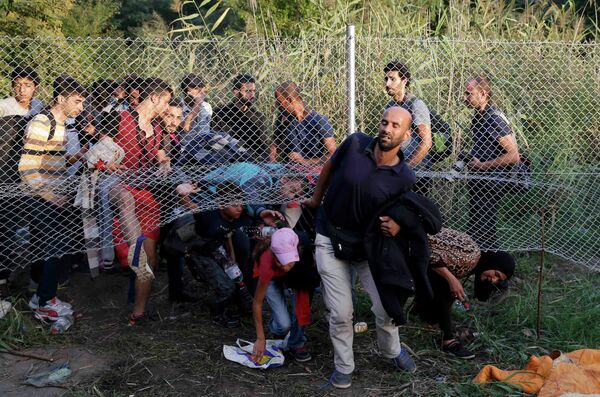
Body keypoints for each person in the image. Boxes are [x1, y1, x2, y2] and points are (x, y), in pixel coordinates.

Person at [304, 107, 417, 389]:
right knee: (341, 312)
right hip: (330, 237)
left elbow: (407, 212)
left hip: (369, 249)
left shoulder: (404, 177)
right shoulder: (355, 144)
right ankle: (343, 368)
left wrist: (398, 225)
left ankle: (392, 351)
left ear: (406, 134)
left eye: (395, 125)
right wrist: (316, 201)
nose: (387, 129)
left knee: (386, 307)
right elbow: (329, 168)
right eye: (384, 122)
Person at [20, 75, 87, 324]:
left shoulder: (61, 125)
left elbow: (51, 161)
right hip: (39, 196)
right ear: (61, 98)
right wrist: (51, 196)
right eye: (77, 101)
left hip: (51, 195)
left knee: (43, 244)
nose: (81, 107)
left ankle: (38, 293)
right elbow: (26, 167)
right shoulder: (42, 122)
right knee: (57, 245)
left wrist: (78, 156)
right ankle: (45, 301)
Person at [111, 77, 172, 325]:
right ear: (154, 97)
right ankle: (136, 309)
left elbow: (160, 155)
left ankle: (138, 311)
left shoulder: (156, 130)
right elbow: (101, 149)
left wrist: (164, 162)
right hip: (119, 187)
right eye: (166, 101)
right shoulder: (120, 119)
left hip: (145, 193)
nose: (167, 108)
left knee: (151, 260)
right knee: (140, 258)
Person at [416, 230, 515, 359]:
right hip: (411, 249)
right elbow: (431, 255)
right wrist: (452, 280)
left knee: (445, 288)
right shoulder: (470, 256)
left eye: (498, 279)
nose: (494, 280)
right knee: (446, 290)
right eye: (496, 274)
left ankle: (425, 315)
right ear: (493, 263)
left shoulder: (478, 263)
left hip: (420, 256)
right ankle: (448, 342)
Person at [464, 76, 521, 250]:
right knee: (476, 229)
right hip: (480, 183)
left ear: (483, 93)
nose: (465, 97)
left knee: (484, 231)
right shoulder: (478, 117)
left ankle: (492, 267)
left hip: (491, 183)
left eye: (469, 93)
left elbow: (514, 155)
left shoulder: (493, 119)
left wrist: (481, 166)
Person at [251, 228, 314, 363]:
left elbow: (308, 284)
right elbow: (257, 303)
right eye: (280, 261)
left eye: (288, 261)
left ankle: (297, 342)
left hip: (298, 274)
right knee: (284, 325)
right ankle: (276, 327)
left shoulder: (305, 248)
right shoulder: (266, 262)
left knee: (302, 310)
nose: (284, 266)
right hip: (272, 278)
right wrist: (260, 338)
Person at [384, 61, 433, 194]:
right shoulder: (389, 107)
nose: (387, 84)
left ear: (404, 80)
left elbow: (427, 142)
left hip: (417, 174)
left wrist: (407, 167)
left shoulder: (416, 105)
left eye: (392, 79)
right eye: (386, 79)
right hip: (396, 171)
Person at [274, 81, 336, 166]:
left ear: (289, 100)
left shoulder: (319, 120)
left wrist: (306, 161)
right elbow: (275, 141)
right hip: (288, 169)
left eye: (279, 102)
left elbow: (334, 154)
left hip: (312, 170)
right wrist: (272, 158)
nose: (276, 105)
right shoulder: (283, 117)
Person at [211, 74, 268, 161]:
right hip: (225, 161)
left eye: (253, 91)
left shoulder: (258, 117)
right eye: (248, 91)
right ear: (236, 92)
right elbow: (215, 143)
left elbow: (262, 149)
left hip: (251, 162)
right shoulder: (220, 114)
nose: (252, 95)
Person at [180, 73, 212, 152]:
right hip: (187, 149)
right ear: (187, 91)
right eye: (196, 88)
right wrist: (197, 104)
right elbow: (186, 128)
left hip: (207, 147)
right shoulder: (178, 107)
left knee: (224, 137)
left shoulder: (207, 107)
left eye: (202, 88)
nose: (201, 91)